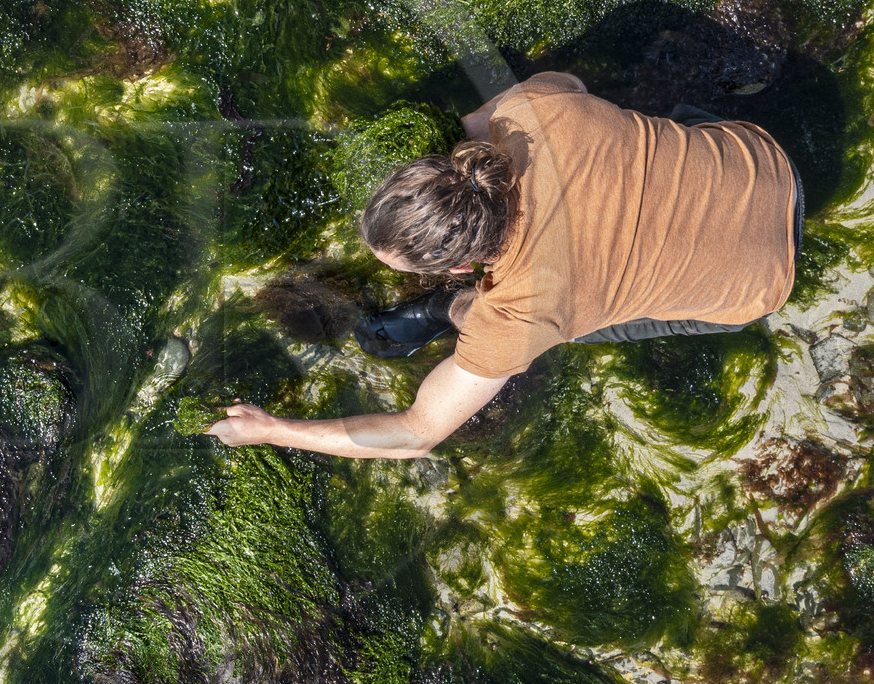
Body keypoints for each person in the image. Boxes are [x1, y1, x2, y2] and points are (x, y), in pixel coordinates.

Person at [207, 71, 802, 458]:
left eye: (422, 272)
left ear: (462, 267)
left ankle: (448, 312)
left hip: (754, 286)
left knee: (581, 325)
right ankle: (446, 308)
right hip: (762, 162)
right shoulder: (532, 116)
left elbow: (417, 433)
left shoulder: (520, 312)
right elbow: (564, 82)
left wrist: (271, 429)